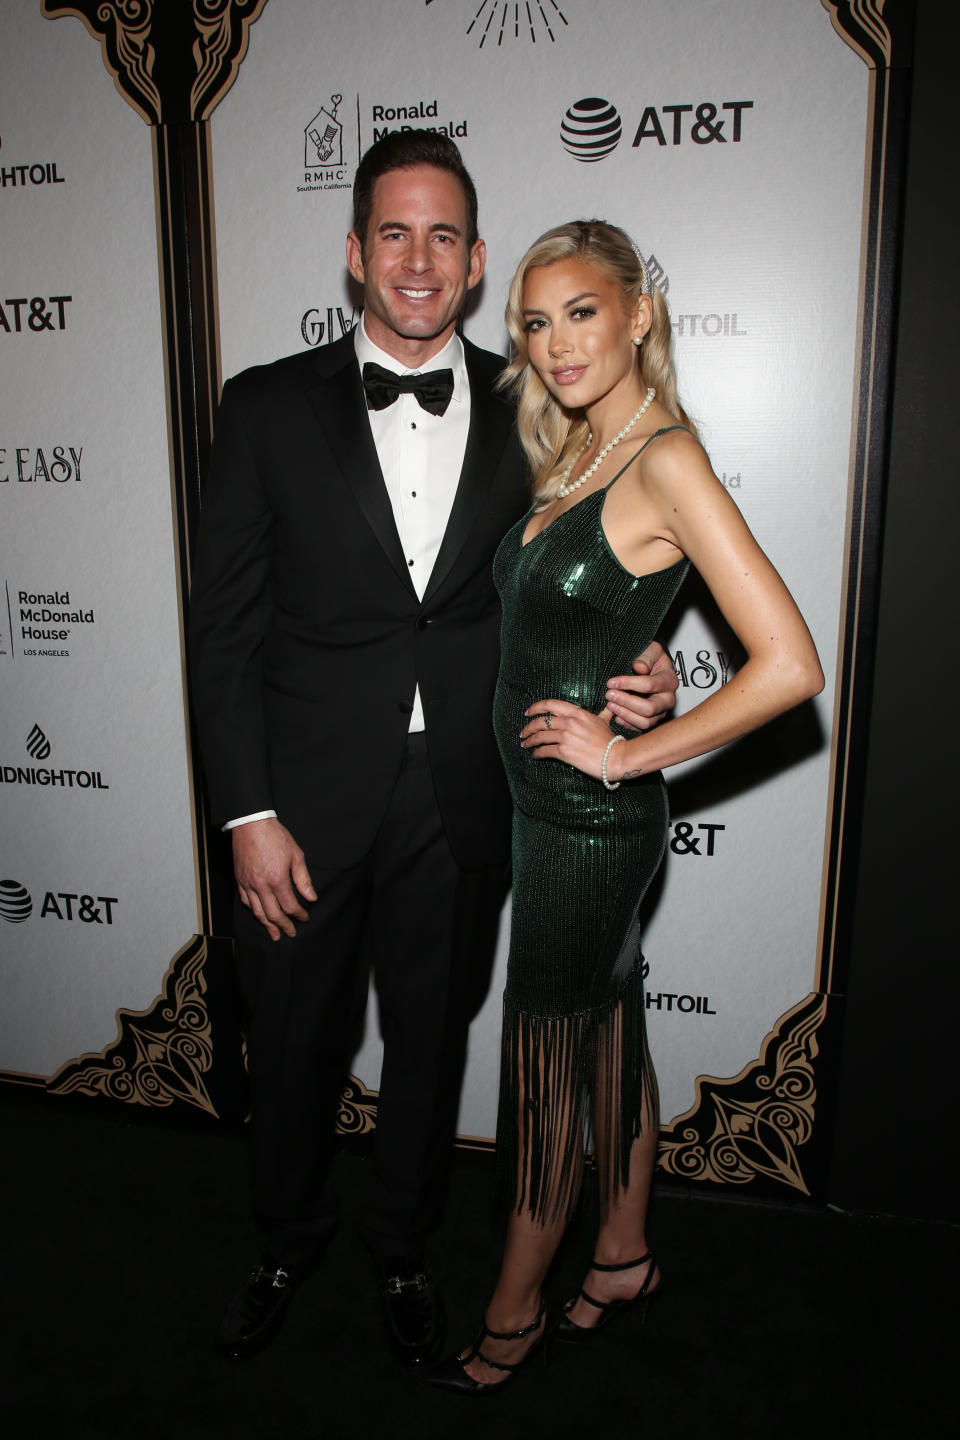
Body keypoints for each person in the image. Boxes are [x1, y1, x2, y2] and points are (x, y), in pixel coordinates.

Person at [188, 137, 680, 1367]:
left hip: (466, 797)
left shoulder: (539, 407)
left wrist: (655, 674)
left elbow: (599, 576)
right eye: (394, 233)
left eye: (445, 236)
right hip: (298, 807)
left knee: (429, 1042)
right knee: (293, 1040)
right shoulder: (263, 406)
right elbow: (223, 633)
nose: (419, 259)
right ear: (355, 252)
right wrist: (246, 812)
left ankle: (402, 1249)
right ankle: (288, 1235)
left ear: (470, 268)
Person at [424, 219, 824, 1394]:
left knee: (545, 1061)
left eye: (582, 313)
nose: (556, 344)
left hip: (584, 829)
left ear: (640, 313)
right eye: (536, 323)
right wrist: (638, 675)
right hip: (551, 817)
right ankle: (622, 1255)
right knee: (610, 1032)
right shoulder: (587, 451)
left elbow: (790, 665)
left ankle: (513, 1314)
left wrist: (624, 759)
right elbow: (597, 621)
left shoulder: (665, 459)